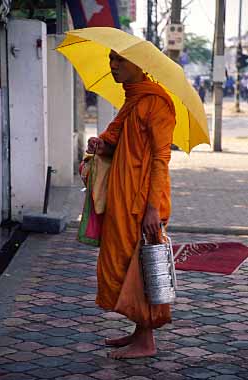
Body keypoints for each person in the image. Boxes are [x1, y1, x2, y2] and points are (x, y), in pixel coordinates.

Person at [87, 50, 176, 359]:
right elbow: (115, 137)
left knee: (141, 271)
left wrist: (152, 208)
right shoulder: (133, 100)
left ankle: (146, 342)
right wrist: (101, 143)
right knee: (125, 266)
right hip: (124, 200)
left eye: (120, 60)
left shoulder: (157, 102)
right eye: (110, 58)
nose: (112, 65)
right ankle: (139, 332)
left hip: (143, 204)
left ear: (140, 65)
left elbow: (160, 158)